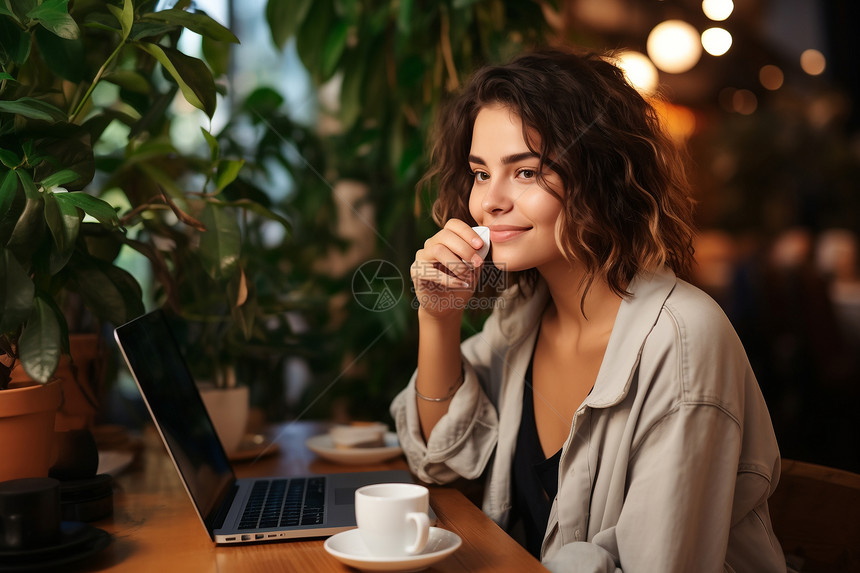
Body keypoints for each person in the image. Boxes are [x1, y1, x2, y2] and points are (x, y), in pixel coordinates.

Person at [390, 49, 787, 572]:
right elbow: (442, 461)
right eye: (481, 173)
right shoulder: (522, 316)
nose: (490, 201)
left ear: (601, 175)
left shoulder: (683, 339)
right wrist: (437, 318)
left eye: (526, 172)